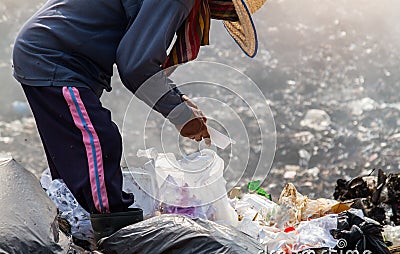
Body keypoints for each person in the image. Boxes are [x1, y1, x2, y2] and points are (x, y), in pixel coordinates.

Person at [12, 0, 266, 240]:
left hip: (51, 54)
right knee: (100, 142)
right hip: (56, 59)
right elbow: (136, 66)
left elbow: (139, 57)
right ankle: (118, 230)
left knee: (75, 157)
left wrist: (179, 100)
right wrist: (180, 115)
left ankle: (76, 222)